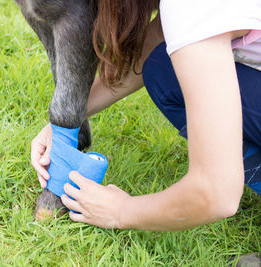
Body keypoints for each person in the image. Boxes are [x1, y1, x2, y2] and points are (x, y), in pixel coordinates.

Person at [30, 0, 261, 264]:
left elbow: (217, 193)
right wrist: (65, 122)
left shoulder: (191, 7)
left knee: (167, 75)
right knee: (163, 69)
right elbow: (152, 44)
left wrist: (121, 211)